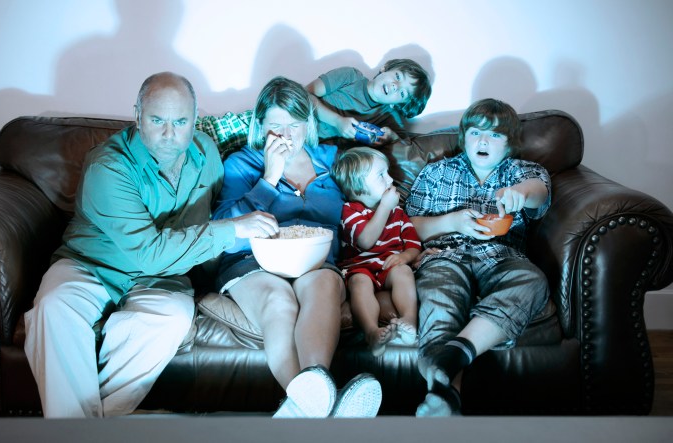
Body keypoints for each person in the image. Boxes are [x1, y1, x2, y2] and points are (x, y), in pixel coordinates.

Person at [23, 72, 279, 418]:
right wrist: (232, 229)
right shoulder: (109, 166)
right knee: (54, 309)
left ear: (195, 118)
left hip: (164, 279)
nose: (170, 135)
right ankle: (83, 433)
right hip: (92, 265)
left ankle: (83, 430)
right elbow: (149, 252)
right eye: (157, 120)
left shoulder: (207, 154)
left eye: (181, 121)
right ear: (138, 115)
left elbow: (226, 202)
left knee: (172, 318)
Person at [212, 76, 382, 418]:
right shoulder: (240, 164)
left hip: (316, 262)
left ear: (309, 124)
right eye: (276, 126)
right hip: (252, 261)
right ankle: (318, 407)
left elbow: (376, 198)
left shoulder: (332, 162)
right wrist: (269, 179)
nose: (286, 135)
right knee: (279, 301)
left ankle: (305, 408)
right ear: (260, 127)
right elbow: (224, 232)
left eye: (295, 125)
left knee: (323, 285)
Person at [405, 98, 551, 416]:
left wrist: (520, 194)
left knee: (532, 279)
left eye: (495, 135)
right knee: (439, 298)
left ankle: (458, 353)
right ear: (464, 137)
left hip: (501, 255)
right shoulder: (436, 172)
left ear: (509, 142)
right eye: (475, 132)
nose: (483, 141)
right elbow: (408, 227)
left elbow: (539, 189)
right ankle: (443, 398)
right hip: (444, 255)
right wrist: (453, 222)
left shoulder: (521, 172)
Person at [331, 147, 433, 357]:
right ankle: (371, 332)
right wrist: (385, 207)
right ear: (357, 187)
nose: (390, 179)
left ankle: (409, 320)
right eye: (381, 175)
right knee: (359, 282)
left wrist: (405, 257)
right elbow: (366, 240)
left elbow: (413, 244)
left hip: (389, 267)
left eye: (388, 172)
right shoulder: (350, 210)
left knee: (403, 271)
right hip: (359, 268)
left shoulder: (398, 212)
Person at [306, 59, 431, 145]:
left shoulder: (388, 116)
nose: (395, 86)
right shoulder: (351, 76)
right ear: (385, 68)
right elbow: (304, 94)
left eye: (402, 93)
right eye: (398, 77)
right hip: (301, 124)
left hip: (320, 153)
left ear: (396, 104)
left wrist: (391, 138)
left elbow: (404, 144)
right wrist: (337, 121)